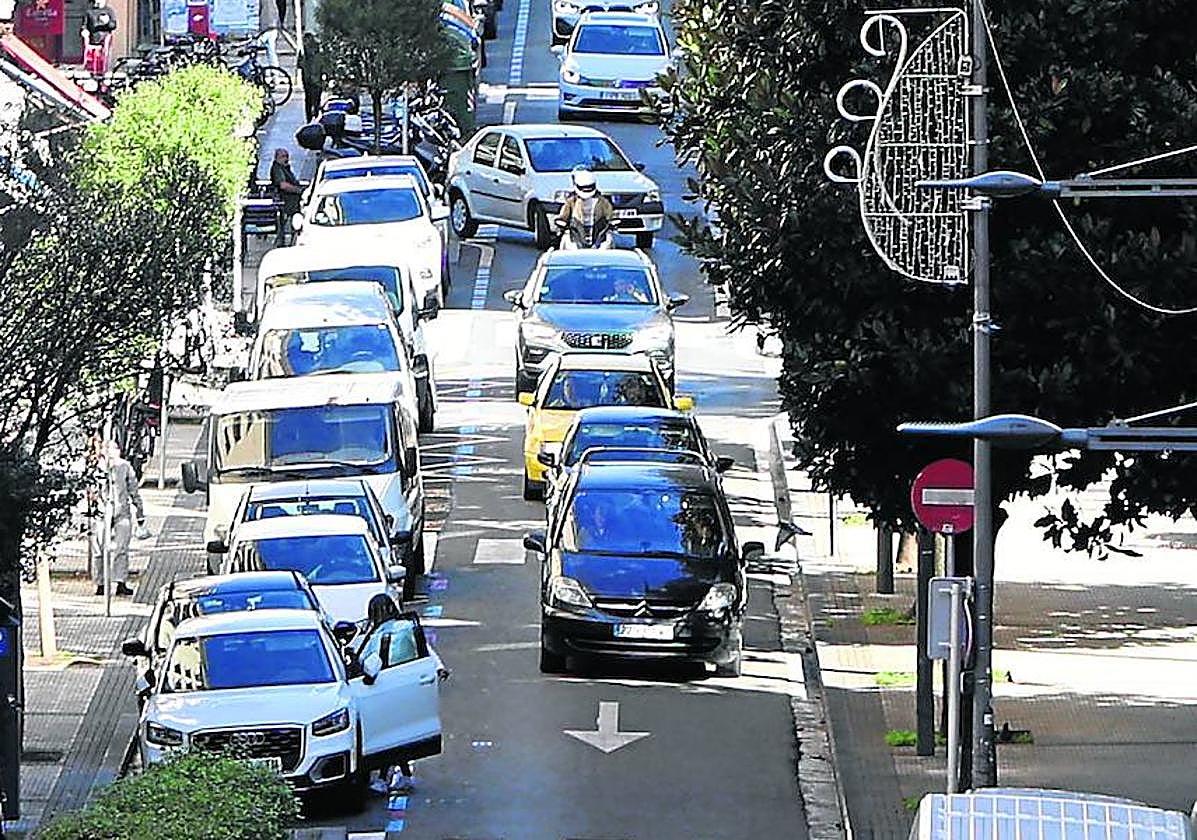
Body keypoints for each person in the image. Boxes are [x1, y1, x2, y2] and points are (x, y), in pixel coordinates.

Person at [351, 594, 449, 795]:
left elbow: (370, 660)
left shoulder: (382, 633)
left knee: (388, 736)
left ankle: (383, 779)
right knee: (396, 736)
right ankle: (404, 776)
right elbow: (425, 649)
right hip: (401, 684)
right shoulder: (401, 628)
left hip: (385, 686)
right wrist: (438, 667)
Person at [88, 440, 145, 597]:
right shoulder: (97, 468)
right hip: (102, 512)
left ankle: (120, 582)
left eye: (113, 449)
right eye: (107, 450)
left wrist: (140, 511)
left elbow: (134, 490)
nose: (111, 453)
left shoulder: (125, 466)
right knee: (99, 549)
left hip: (122, 511)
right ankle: (100, 583)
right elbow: (91, 490)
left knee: (122, 548)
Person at [555, 167, 616, 248]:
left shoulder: (603, 201)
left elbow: (610, 215)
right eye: (583, 187)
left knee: (610, 239)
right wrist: (562, 221)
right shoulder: (571, 202)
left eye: (589, 187)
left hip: (599, 234)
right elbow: (563, 216)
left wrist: (612, 221)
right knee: (565, 239)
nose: (586, 190)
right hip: (576, 233)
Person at [270, 148, 304, 246]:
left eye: (287, 156)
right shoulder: (277, 169)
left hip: (293, 200)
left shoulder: (285, 168)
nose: (286, 159)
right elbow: (283, 185)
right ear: (277, 158)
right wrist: (299, 190)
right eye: (283, 156)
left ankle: (294, 237)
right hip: (286, 201)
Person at [299, 33, 325, 122]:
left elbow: (300, 65)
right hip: (313, 78)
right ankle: (313, 117)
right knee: (313, 99)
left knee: (310, 99)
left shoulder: (305, 52)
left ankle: (310, 118)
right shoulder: (316, 52)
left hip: (311, 78)